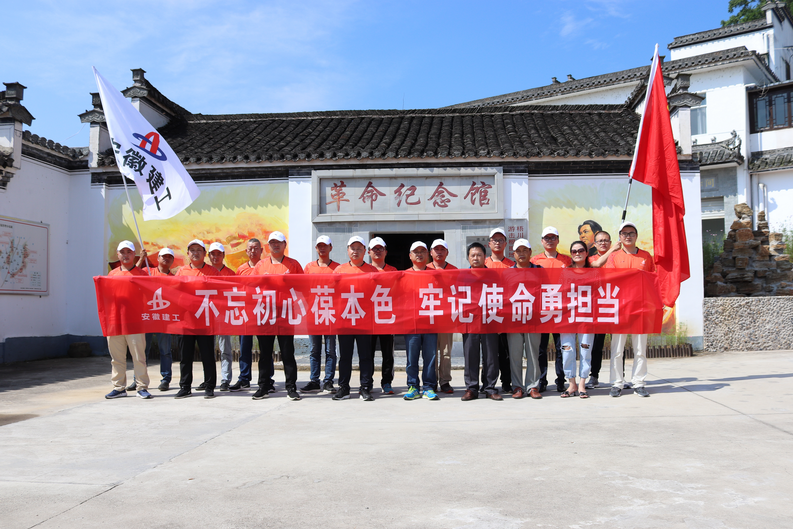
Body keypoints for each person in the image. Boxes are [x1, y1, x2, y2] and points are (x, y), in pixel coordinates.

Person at [605, 221, 656, 398]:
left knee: (640, 349)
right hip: (620, 308)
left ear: (636, 236)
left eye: (631, 233)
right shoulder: (614, 257)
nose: (628, 236)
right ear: (620, 237)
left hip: (640, 308)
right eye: (624, 233)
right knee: (617, 349)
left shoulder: (645, 256)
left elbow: (653, 280)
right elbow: (609, 279)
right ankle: (616, 383)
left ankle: (639, 382)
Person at [252, 231, 302, 401]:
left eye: (278, 242)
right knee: (265, 353)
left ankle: (291, 387)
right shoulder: (260, 265)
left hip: (286, 314)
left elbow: (303, 286)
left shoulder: (293, 265)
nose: (275, 245)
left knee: (287, 353)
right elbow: (252, 287)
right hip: (266, 314)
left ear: (284, 245)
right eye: (272, 242)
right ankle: (263, 386)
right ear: (268, 245)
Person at [104, 240, 151, 399]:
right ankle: (119, 387)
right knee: (117, 358)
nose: (125, 255)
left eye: (128, 252)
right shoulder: (112, 274)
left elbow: (149, 296)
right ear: (118, 255)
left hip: (135, 322)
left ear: (134, 254)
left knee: (139, 357)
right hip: (115, 322)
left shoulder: (142, 274)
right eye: (122, 252)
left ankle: (142, 387)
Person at [333, 236, 378, 401]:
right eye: (353, 248)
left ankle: (365, 387)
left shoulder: (372, 271)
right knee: (345, 356)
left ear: (365, 251)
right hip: (345, 320)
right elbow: (333, 294)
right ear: (347, 250)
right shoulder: (339, 270)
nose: (356, 251)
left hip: (364, 320)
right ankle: (344, 388)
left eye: (359, 248)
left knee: (365, 356)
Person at [175, 239, 219, 399]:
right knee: (185, 356)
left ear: (204, 253)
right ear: (188, 253)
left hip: (205, 320)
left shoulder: (212, 272)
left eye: (199, 250)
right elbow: (173, 292)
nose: (195, 253)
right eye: (192, 250)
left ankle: (209, 386)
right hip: (186, 320)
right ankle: (185, 386)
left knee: (207, 355)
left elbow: (220, 292)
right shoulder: (182, 272)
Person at [530, 226, 572, 392]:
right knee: (541, 349)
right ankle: (542, 380)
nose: (550, 241)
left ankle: (561, 379)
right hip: (542, 310)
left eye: (553, 237)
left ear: (558, 240)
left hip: (561, 310)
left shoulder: (567, 261)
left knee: (561, 347)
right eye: (546, 238)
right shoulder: (534, 260)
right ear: (542, 241)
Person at [461, 242, 502, 401]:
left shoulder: (494, 276)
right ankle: (471, 388)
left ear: (485, 257)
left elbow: (501, 298)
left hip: (489, 320)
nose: (476, 258)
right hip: (469, 321)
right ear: (468, 258)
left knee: (491, 356)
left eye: (479, 255)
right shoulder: (462, 276)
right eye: (472, 255)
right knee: (470, 355)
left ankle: (490, 387)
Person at [506, 239, 543, 400]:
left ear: (530, 252)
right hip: (513, 319)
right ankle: (517, 386)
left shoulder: (540, 270)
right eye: (518, 251)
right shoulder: (507, 273)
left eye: (524, 250)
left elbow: (547, 292)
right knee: (515, 354)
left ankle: (533, 386)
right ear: (513, 254)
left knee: (533, 354)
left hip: (533, 318)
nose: (521, 253)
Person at [302, 235, 339, 394]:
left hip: (330, 314)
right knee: (314, 350)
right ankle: (314, 380)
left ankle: (328, 381)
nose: (322, 248)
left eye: (325, 245)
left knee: (330, 350)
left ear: (331, 247)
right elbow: (303, 289)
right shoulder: (309, 267)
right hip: (313, 314)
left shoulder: (337, 268)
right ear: (316, 248)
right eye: (319, 246)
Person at [403, 241, 440, 401]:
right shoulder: (404, 275)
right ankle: (413, 386)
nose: (419, 254)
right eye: (416, 252)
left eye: (422, 251)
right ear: (410, 256)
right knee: (412, 358)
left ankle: (429, 387)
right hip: (411, 324)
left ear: (428, 254)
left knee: (430, 357)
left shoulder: (435, 274)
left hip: (430, 322)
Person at [586, 230, 623, 389]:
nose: (603, 243)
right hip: (598, 307)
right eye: (600, 241)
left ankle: (620, 377)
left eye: (606, 240)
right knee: (597, 344)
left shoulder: (618, 257)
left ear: (610, 241)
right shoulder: (591, 259)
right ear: (594, 244)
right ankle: (594, 376)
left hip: (616, 305)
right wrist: (612, 250)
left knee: (618, 344)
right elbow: (597, 265)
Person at [560, 240, 595, 399]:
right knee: (567, 349)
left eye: (581, 250)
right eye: (574, 251)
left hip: (587, 317)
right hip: (567, 317)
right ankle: (571, 383)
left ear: (586, 253)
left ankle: (582, 383)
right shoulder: (565, 272)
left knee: (585, 349)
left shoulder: (594, 272)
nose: (577, 253)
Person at [229, 238, 264, 392]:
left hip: (263, 312)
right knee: (244, 347)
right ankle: (244, 378)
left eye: (256, 248)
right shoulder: (241, 269)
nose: (253, 251)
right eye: (250, 248)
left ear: (261, 250)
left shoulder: (266, 266)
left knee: (265, 348)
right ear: (246, 251)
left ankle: (266, 379)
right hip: (246, 313)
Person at [484, 227, 514, 393]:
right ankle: (486, 383)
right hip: (487, 314)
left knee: (505, 352)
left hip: (506, 314)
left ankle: (506, 382)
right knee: (488, 352)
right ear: (489, 243)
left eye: (500, 240)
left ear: (505, 243)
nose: (497, 243)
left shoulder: (512, 265)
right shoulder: (483, 264)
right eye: (494, 240)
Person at [144, 247, 176, 392]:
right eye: (164, 256)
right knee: (143, 350)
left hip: (164, 319)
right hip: (148, 317)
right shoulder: (148, 272)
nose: (166, 259)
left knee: (165, 351)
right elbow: (132, 276)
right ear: (158, 258)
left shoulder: (174, 279)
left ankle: (166, 379)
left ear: (172, 260)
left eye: (169, 257)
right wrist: (141, 258)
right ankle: (139, 379)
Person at [427, 239, 457, 394]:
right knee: (431, 352)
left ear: (447, 252)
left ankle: (445, 381)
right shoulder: (424, 269)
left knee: (445, 352)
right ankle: (431, 381)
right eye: (436, 249)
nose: (439, 252)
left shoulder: (454, 270)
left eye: (442, 249)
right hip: (429, 317)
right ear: (431, 252)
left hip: (446, 317)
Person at [368, 236, 396, 394]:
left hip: (387, 317)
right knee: (368, 353)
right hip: (368, 318)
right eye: (374, 249)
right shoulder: (364, 270)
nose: (377, 251)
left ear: (386, 251)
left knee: (387, 353)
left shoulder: (393, 271)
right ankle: (368, 381)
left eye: (380, 248)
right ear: (369, 252)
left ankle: (386, 382)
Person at [207, 242, 236, 392]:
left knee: (225, 348)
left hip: (223, 315)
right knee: (207, 350)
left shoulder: (230, 274)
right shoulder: (205, 272)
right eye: (213, 254)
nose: (216, 257)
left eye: (219, 254)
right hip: (207, 315)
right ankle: (208, 379)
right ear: (208, 256)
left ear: (223, 255)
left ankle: (225, 379)